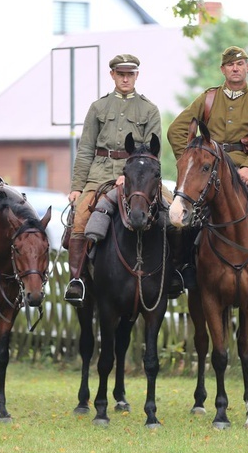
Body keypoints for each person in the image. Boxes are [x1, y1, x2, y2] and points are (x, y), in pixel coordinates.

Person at [167, 45, 248, 285]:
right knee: (186, 212)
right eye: (230, 65)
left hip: (247, 167)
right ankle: (186, 265)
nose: (235, 68)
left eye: (240, 64)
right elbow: (176, 129)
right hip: (211, 170)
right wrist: (191, 162)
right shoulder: (208, 98)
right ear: (223, 69)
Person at [64, 54, 180, 307]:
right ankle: (78, 280)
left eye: (130, 74)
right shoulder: (98, 108)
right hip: (99, 173)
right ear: (113, 75)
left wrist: (127, 176)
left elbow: (153, 151)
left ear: (137, 76)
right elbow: (85, 149)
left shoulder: (149, 109)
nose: (125, 78)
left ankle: (176, 273)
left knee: (173, 213)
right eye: (120, 74)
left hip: (139, 176)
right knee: (81, 216)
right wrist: (76, 187)